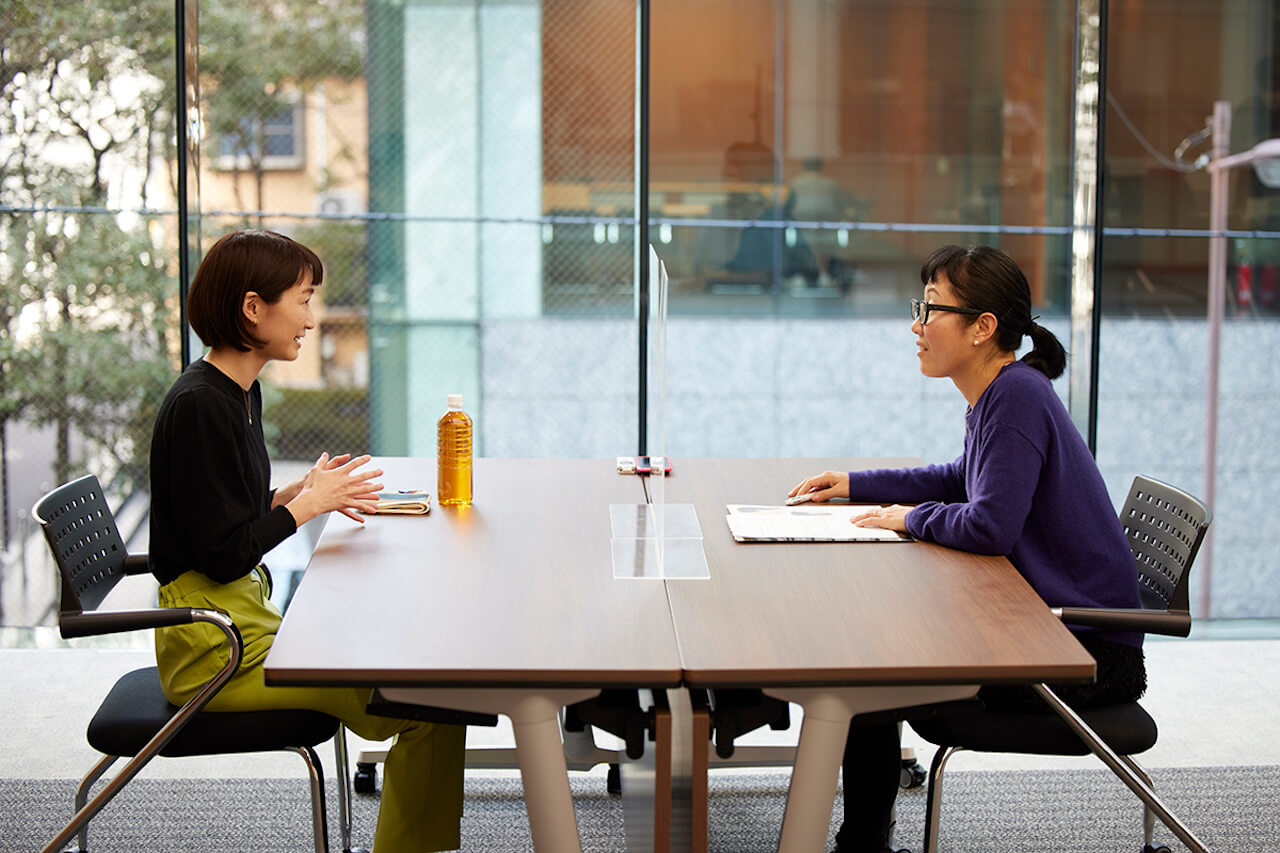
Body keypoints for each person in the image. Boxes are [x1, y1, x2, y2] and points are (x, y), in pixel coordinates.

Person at [788, 244, 1146, 853]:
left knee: (872, 676)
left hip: (1081, 653)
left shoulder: (1016, 398)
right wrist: (857, 484)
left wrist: (908, 519)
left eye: (930, 310)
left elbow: (989, 527)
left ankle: (863, 845)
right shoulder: (1004, 393)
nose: (916, 326)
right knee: (875, 658)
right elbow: (962, 478)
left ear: (983, 328)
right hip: (1049, 629)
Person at [148, 229, 466, 852]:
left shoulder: (236, 392)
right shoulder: (199, 406)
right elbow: (221, 551)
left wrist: (296, 493)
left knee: (421, 678)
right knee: (427, 704)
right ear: (252, 307)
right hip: (215, 646)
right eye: (303, 299)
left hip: (243, 621)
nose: (312, 320)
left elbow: (221, 515)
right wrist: (308, 508)